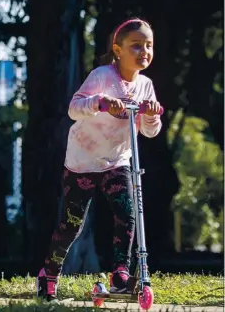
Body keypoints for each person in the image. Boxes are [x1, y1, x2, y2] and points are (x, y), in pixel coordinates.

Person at [35, 18, 163, 302]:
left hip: (117, 161)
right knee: (72, 223)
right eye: (136, 46)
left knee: (127, 214)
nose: (144, 51)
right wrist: (100, 102)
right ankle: (49, 274)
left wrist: (152, 114)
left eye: (149, 46)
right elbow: (73, 109)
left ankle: (120, 273)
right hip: (83, 161)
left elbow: (150, 132)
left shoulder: (145, 85)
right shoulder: (102, 76)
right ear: (117, 50)